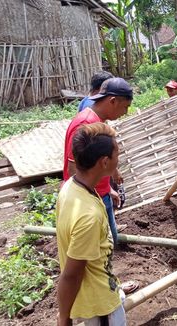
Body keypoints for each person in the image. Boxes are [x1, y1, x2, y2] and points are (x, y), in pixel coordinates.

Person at [57, 123, 126, 326]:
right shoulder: (89, 216)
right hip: (101, 307)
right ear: (104, 162)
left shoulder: (71, 187)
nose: (118, 160)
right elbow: (71, 274)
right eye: (117, 156)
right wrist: (64, 318)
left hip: (100, 290)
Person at [63, 77, 132, 245]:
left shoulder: (97, 121)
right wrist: (86, 203)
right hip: (91, 198)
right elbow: (75, 167)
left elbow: (93, 165)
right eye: (125, 107)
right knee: (98, 246)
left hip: (99, 194)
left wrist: (107, 188)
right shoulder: (86, 124)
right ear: (113, 101)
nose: (126, 112)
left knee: (107, 243)